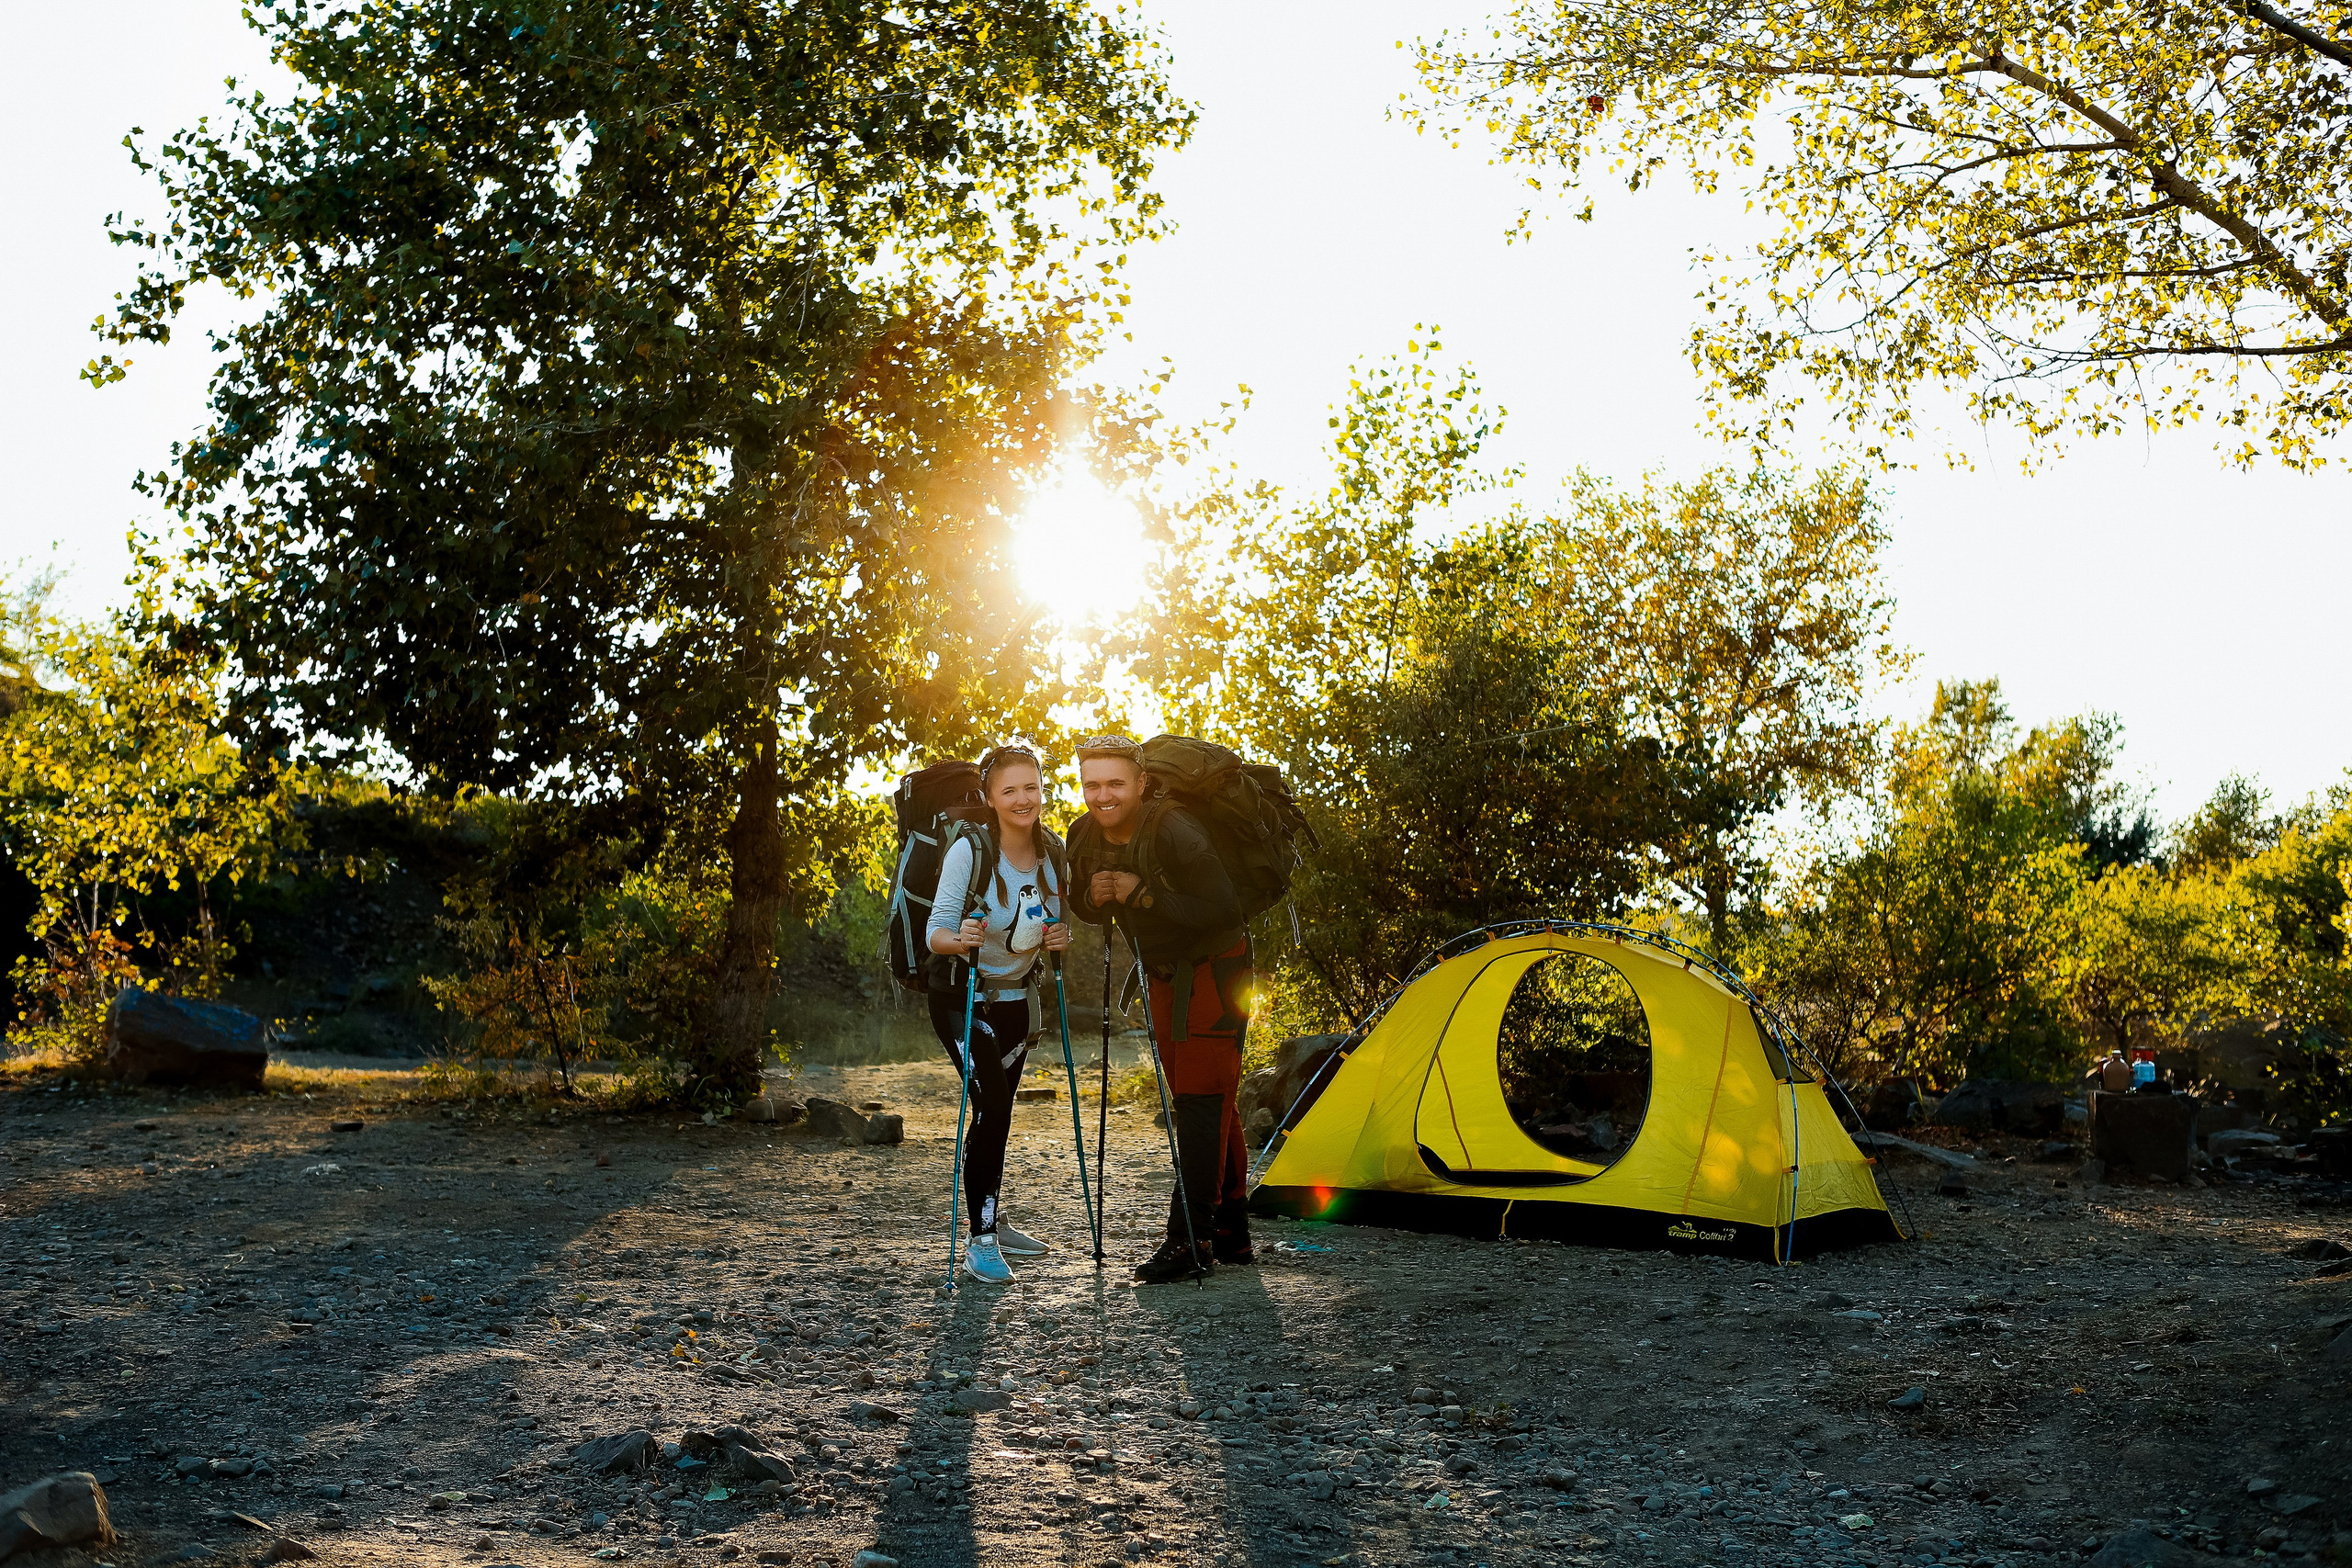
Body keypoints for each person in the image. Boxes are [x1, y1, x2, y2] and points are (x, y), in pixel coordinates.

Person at [1066, 734, 1254, 1283]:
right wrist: (1093, 896)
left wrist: (1142, 893)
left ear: (1142, 784)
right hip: (1165, 974)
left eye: (1116, 783)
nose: (1103, 795)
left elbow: (1224, 908)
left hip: (1218, 970)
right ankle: (1232, 1231)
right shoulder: (1085, 834)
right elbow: (1082, 903)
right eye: (1092, 783)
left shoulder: (1174, 828)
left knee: (1200, 1099)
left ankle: (1188, 1239)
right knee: (1206, 1095)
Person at [925, 742, 1071, 1284]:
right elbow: (934, 933)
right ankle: (980, 1242)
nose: (1022, 799)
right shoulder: (970, 850)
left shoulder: (1052, 852)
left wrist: (1061, 936)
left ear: (1042, 789)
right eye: (1009, 790)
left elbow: (1054, 925)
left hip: (1015, 999)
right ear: (988, 797)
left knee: (996, 1113)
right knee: (993, 1107)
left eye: (1031, 787)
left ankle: (992, 1218)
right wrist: (957, 936)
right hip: (961, 997)